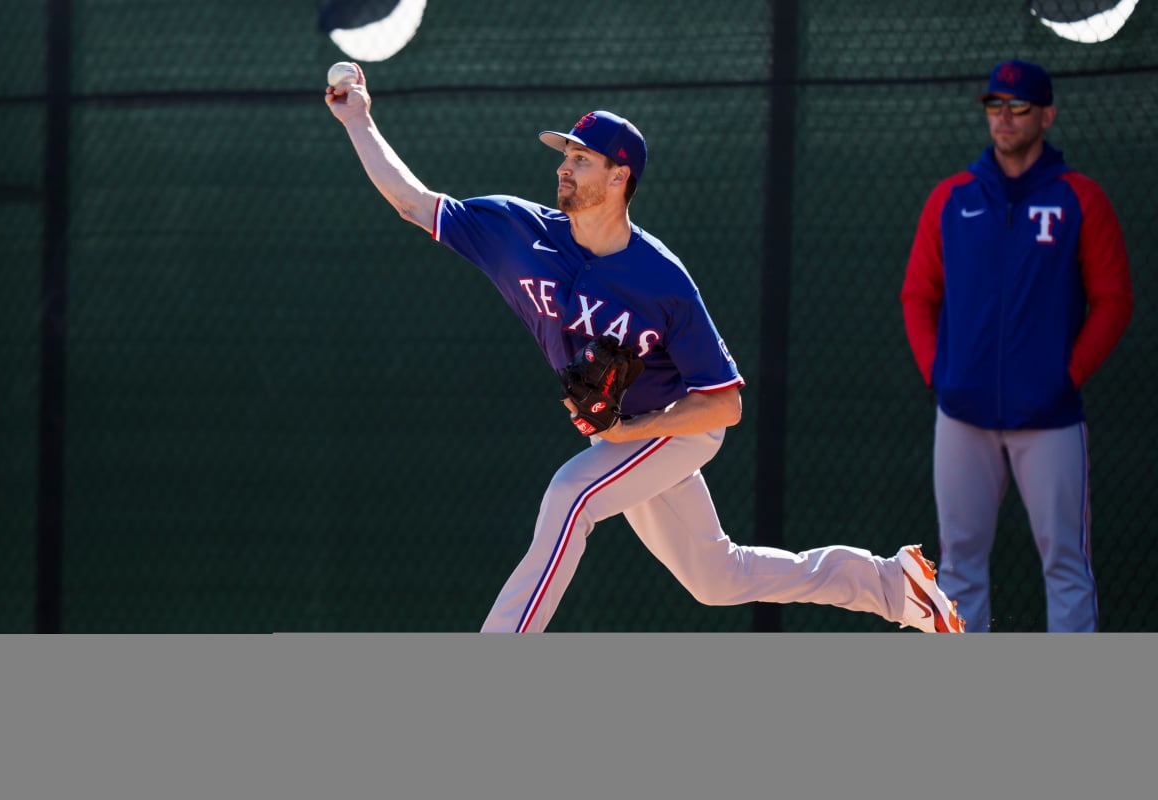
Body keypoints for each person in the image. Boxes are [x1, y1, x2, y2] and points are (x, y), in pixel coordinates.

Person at [327, 62, 963, 633]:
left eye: (580, 159)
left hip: (681, 424)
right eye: (565, 155)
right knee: (718, 578)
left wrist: (637, 429)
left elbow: (726, 405)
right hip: (626, 433)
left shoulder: (661, 277)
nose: (562, 167)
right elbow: (413, 202)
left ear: (618, 175)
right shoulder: (517, 232)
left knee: (568, 500)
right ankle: (891, 585)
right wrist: (358, 120)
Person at [901, 59, 1133, 632]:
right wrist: (941, 375)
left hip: (1049, 418)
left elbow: (1114, 300)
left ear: (1046, 115)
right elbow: (916, 295)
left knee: (1066, 566)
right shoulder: (951, 199)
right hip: (962, 416)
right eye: (994, 105)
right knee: (957, 569)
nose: (1004, 118)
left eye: (1018, 106)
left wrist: (1065, 377)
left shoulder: (1080, 199)